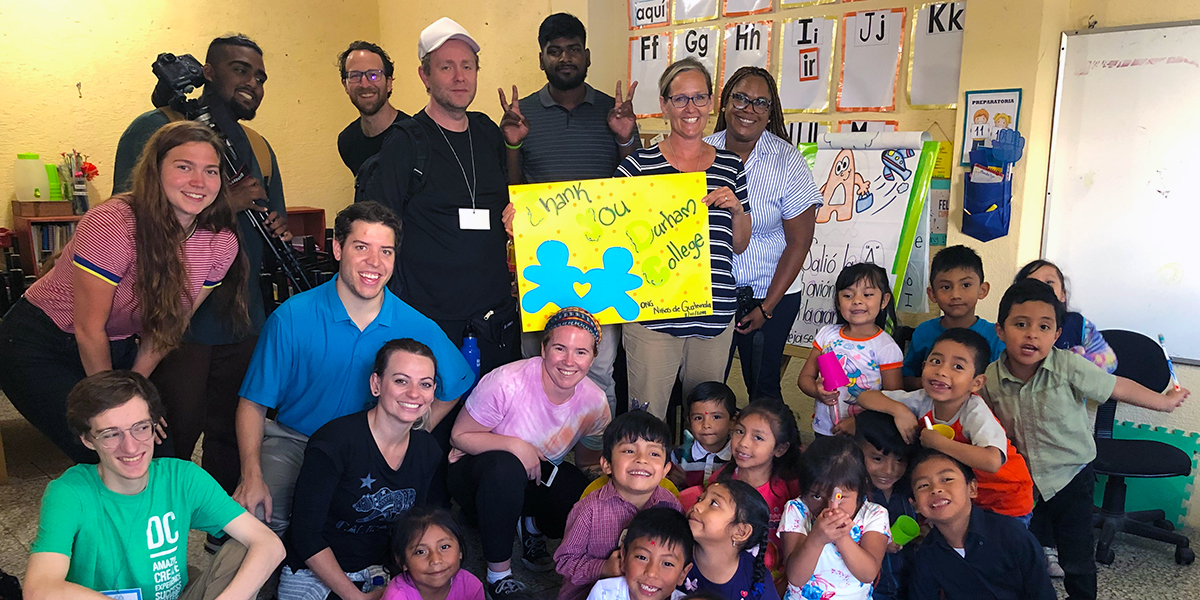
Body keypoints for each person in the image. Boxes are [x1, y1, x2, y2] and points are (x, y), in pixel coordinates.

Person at [0, 121, 245, 464]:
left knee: (156, 448)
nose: (198, 182)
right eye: (183, 167)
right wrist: (115, 406)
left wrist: (135, 392)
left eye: (211, 171)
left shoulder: (220, 242)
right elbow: (88, 329)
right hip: (40, 344)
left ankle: (161, 518)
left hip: (116, 345)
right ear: (155, 170)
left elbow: (167, 329)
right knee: (111, 448)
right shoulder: (114, 223)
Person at [112, 34, 291, 499]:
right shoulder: (157, 130)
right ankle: (158, 523)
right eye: (239, 69)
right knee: (174, 430)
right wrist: (224, 202)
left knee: (233, 432)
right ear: (208, 72)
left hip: (243, 316)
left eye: (260, 76)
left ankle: (218, 527)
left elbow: (272, 219)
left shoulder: (259, 145)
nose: (252, 82)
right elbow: (132, 219)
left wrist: (278, 229)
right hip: (178, 318)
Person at [232, 202, 473, 538]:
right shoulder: (291, 318)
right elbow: (253, 403)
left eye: (385, 251)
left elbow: (458, 382)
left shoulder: (418, 326)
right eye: (362, 247)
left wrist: (416, 426)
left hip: (372, 450)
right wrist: (251, 475)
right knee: (255, 519)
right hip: (296, 442)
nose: (374, 262)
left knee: (380, 531)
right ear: (337, 248)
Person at [983, 279, 1190, 600]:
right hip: (1025, 482)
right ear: (1000, 330)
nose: (1031, 334)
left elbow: (1117, 386)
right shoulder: (992, 377)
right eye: (1020, 324)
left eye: (1043, 326)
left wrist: (1162, 402)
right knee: (1028, 552)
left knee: (1076, 559)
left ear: (1056, 335)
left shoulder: (1068, 367)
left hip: (1071, 478)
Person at [23, 371, 284, 600]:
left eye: (140, 428)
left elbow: (269, 544)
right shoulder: (70, 492)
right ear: (88, 440)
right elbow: (40, 588)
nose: (131, 446)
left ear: (155, 426)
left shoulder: (182, 477)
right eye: (111, 434)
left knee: (242, 550)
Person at [361, 17, 522, 374]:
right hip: (430, 321)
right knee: (432, 423)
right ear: (425, 76)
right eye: (446, 67)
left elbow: (508, 200)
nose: (459, 77)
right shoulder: (406, 142)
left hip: (494, 318)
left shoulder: (486, 131)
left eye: (467, 66)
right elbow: (376, 224)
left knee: (489, 418)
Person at [505, 12, 640, 413]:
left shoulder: (613, 111)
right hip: (541, 266)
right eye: (554, 50)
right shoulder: (522, 115)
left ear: (588, 56)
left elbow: (632, 187)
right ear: (542, 58)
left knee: (598, 368)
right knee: (537, 365)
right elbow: (514, 191)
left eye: (573, 49)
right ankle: (541, 450)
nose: (565, 58)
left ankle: (594, 457)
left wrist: (626, 137)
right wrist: (512, 143)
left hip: (602, 266)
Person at [614, 57, 751, 420]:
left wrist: (737, 209)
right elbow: (607, 238)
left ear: (711, 104)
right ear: (664, 105)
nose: (691, 108)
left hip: (714, 314)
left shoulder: (731, 166)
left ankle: (696, 479)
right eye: (680, 99)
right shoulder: (637, 168)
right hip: (652, 317)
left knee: (706, 425)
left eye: (699, 98)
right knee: (646, 419)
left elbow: (739, 244)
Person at [448, 307, 612, 599]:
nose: (569, 361)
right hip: (479, 474)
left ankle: (531, 524)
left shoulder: (595, 401)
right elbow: (459, 437)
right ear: (544, 348)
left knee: (581, 490)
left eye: (581, 352)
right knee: (506, 467)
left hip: (537, 476)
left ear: (593, 357)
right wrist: (516, 445)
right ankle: (499, 576)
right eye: (560, 348)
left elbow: (587, 462)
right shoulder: (507, 381)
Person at [279, 339, 445, 600]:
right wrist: (354, 596)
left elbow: (415, 528)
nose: (414, 393)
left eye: (425, 384)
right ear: (376, 384)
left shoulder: (428, 450)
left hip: (381, 569)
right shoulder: (334, 442)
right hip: (316, 568)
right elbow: (305, 534)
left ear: (433, 391)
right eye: (401, 381)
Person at [704, 66, 821, 402]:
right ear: (725, 103)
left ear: (770, 113)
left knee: (763, 389)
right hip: (712, 295)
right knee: (707, 389)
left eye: (760, 103)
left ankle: (766, 454)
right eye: (740, 98)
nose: (748, 109)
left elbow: (799, 242)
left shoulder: (787, 160)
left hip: (772, 294)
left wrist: (766, 308)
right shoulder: (700, 153)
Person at [857, 328, 1034, 523]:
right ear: (924, 366)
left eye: (957, 366)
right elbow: (866, 396)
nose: (942, 371)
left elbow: (992, 461)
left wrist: (939, 443)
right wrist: (898, 410)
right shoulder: (922, 399)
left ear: (976, 383)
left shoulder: (974, 412)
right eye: (936, 361)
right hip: (965, 499)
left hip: (1006, 499)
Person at [556, 411, 681, 600]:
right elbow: (564, 562)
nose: (642, 459)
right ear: (606, 465)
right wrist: (603, 568)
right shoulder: (588, 510)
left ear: (665, 469)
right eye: (629, 451)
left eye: (654, 453)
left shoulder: (671, 506)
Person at [681, 400, 801, 588]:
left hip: (779, 583)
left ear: (780, 449)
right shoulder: (720, 481)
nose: (743, 443)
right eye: (739, 431)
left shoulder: (790, 489)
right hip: (729, 581)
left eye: (758, 438)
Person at [907, 450, 1055, 600]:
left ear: (972, 488)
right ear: (916, 505)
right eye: (923, 485)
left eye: (947, 479)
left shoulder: (1011, 535)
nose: (936, 489)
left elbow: (1042, 592)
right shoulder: (927, 554)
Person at [796, 263, 903, 437]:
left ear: (884, 301)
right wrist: (817, 392)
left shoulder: (886, 347)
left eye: (867, 294)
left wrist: (859, 423)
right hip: (825, 430)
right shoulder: (826, 335)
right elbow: (805, 378)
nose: (857, 301)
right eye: (848, 295)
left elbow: (893, 400)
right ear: (838, 302)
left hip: (863, 434)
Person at [779, 436, 889, 600]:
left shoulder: (875, 515)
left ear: (861, 488)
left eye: (840, 497)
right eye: (816, 496)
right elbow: (795, 578)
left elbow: (868, 574)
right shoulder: (797, 510)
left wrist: (841, 536)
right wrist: (817, 538)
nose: (830, 506)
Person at [901, 245, 1004, 391]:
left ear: (982, 290)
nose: (956, 294)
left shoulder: (995, 336)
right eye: (946, 287)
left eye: (966, 285)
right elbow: (906, 379)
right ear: (932, 294)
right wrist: (934, 383)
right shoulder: (923, 331)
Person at [853, 411, 918, 600]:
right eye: (877, 459)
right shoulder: (853, 497)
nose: (889, 470)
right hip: (869, 591)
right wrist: (876, 543)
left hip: (908, 586)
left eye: (899, 460)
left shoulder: (909, 493)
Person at [679, 480, 778, 600]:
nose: (697, 507)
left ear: (740, 532)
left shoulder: (757, 580)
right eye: (700, 499)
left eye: (714, 504)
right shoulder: (674, 557)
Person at [1014, 259, 1117, 373]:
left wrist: (1077, 361)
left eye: (1049, 282)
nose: (1043, 288)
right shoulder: (1012, 326)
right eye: (1033, 283)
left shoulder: (1080, 324)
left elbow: (1110, 361)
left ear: (1063, 294)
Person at [586, 507, 694, 600]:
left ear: (683, 574)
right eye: (642, 557)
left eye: (667, 564)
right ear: (623, 557)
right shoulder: (604, 593)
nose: (651, 573)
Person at [383, 506, 485, 600]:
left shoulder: (471, 586)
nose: (435, 560)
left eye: (444, 547)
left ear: (460, 551)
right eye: (420, 552)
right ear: (402, 561)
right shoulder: (397, 596)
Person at [337, 41, 408, 175]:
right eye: (355, 76)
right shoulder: (347, 141)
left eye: (373, 75)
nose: (364, 84)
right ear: (345, 85)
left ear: (388, 83)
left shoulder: (416, 137)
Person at [667, 382, 736, 490]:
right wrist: (673, 481)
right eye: (698, 418)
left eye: (716, 417)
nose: (706, 425)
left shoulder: (737, 457)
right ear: (689, 422)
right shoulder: (677, 456)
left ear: (732, 421)